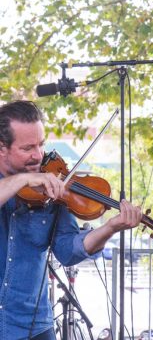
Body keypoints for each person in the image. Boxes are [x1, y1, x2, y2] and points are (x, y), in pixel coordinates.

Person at [0, 100, 142, 339]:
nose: (38, 155)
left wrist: (109, 228)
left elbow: (68, 251)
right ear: (2, 148)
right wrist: (22, 180)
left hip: (33, 325)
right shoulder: (30, 181)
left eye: (41, 145)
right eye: (27, 148)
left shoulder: (52, 187)